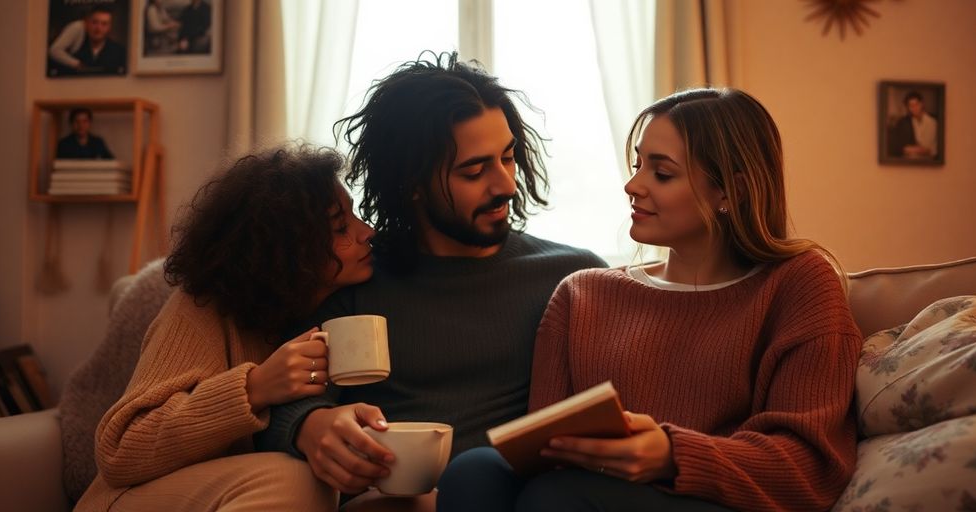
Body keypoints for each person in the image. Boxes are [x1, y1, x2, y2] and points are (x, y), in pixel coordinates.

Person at [437, 88, 863, 512]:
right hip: (581, 491)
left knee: (559, 497)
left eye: (662, 173)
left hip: (717, 499)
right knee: (475, 471)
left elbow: (811, 465)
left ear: (729, 192)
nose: (632, 184)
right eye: (639, 164)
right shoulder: (581, 293)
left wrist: (672, 455)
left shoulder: (799, 283)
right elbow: (545, 448)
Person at [255, 51, 607, 510]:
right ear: (412, 182)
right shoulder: (356, 280)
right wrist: (308, 426)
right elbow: (285, 401)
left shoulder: (573, 276)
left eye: (508, 157)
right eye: (474, 171)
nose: (505, 185)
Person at [74, 145, 376, 511]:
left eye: (356, 216)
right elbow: (121, 449)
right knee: (292, 478)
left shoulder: (337, 310)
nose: (367, 231)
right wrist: (254, 388)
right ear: (286, 246)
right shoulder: (202, 309)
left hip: (234, 495)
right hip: (128, 500)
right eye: (340, 226)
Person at [47, 6, 126, 76]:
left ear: (110, 27)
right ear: (86, 23)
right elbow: (54, 51)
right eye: (94, 22)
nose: (98, 28)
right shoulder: (77, 34)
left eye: (104, 24)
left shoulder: (119, 51)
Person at [888, 91, 938, 159]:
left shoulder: (932, 122)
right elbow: (901, 147)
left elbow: (930, 150)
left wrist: (914, 149)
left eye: (916, 104)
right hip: (910, 160)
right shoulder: (905, 122)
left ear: (922, 104)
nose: (914, 108)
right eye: (911, 106)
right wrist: (916, 149)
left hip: (929, 161)